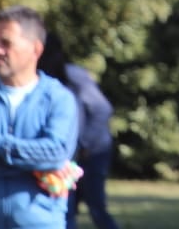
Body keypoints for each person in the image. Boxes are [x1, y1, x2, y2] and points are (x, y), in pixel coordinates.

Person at [0, 5, 79, 229]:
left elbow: (57, 152)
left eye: (6, 43)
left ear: (36, 50)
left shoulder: (58, 98)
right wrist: (41, 164)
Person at [37, 33, 122, 229]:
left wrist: (85, 143)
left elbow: (102, 109)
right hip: (68, 153)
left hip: (93, 151)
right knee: (66, 208)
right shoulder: (40, 80)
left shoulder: (72, 76)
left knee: (96, 207)